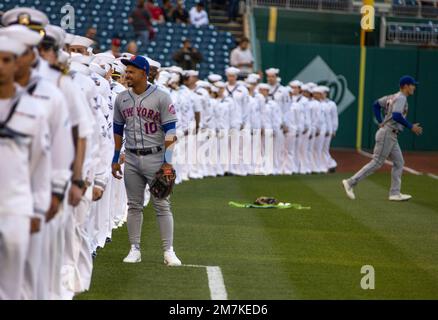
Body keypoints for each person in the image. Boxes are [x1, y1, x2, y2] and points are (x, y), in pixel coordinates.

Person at [111, 56, 182, 266]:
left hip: (156, 157)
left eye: (131, 71)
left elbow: (171, 131)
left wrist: (167, 162)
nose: (127, 75)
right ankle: (134, 249)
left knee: (162, 205)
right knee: (134, 205)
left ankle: (168, 251)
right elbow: (117, 128)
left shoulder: (162, 96)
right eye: (126, 71)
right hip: (131, 157)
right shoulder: (121, 98)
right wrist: (116, 157)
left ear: (143, 72)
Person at [0, 36, 52, 300]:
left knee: (13, 285)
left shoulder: (33, 110)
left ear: (17, 64)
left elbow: (40, 164)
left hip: (17, 207)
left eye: (6, 60)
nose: (1, 66)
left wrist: (38, 209)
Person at [342, 76, 423, 201]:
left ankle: (394, 193)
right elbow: (396, 115)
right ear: (406, 86)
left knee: (399, 162)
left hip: (390, 134)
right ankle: (350, 182)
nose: (414, 87)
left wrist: (381, 121)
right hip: (388, 134)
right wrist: (410, 126)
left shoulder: (392, 96)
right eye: (413, 85)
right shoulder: (401, 98)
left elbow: (376, 104)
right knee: (377, 162)